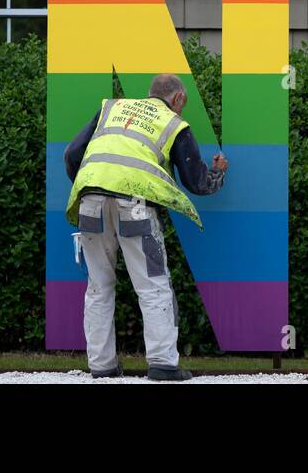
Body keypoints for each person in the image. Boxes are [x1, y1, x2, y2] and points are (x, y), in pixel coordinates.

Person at [63, 73, 227, 381]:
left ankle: (101, 366)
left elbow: (72, 155)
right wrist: (218, 171)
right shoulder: (173, 123)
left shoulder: (111, 108)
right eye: (183, 105)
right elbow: (198, 182)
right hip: (135, 208)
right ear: (177, 99)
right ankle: (163, 364)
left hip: (90, 203)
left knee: (98, 286)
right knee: (152, 285)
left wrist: (93, 188)